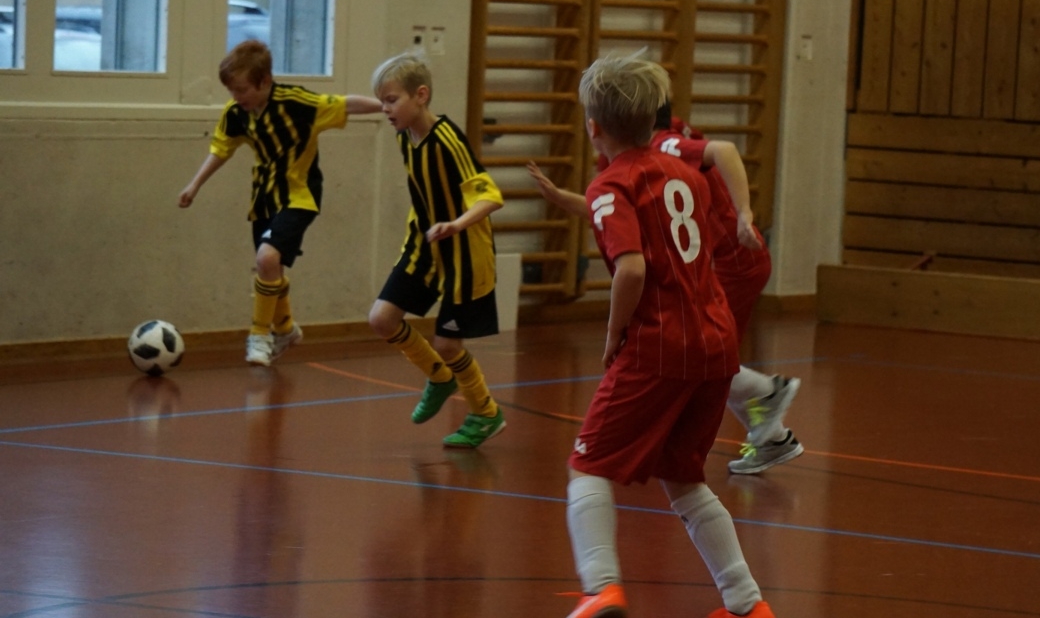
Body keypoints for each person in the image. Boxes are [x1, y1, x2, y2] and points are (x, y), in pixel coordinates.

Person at [560, 51, 776, 618]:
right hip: (716, 344)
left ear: (593, 128)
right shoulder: (687, 175)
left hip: (659, 344)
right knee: (684, 478)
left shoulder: (610, 185)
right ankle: (746, 603)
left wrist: (614, 334)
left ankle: (600, 587)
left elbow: (632, 269)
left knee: (588, 466)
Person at [528, 103, 802, 475]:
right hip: (720, 264)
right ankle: (772, 435)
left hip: (734, 263)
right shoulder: (636, 157)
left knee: (704, 354)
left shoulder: (664, 144)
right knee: (706, 356)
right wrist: (562, 198)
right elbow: (611, 208)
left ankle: (767, 391)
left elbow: (724, 150)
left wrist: (744, 214)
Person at [179, 40, 382, 366]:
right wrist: (194, 185)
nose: (236, 97)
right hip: (263, 199)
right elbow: (221, 149)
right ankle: (286, 329)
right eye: (231, 90)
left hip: (300, 195)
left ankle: (260, 334)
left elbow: (346, 104)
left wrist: (388, 106)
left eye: (242, 89)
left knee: (267, 257)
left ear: (265, 82)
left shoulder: (297, 103)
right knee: (269, 267)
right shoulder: (236, 113)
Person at [366, 50, 506, 449]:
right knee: (382, 319)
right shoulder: (404, 136)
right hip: (425, 243)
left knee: (447, 344)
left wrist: (456, 224)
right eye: (381, 101)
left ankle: (486, 413)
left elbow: (490, 196)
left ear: (421, 95)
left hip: (464, 249)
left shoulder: (448, 141)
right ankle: (440, 378)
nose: (385, 109)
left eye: (391, 100)